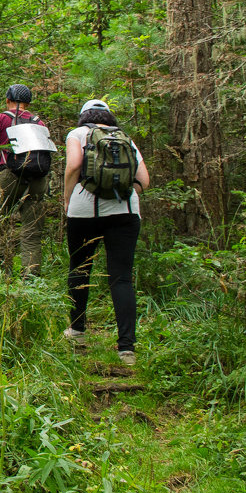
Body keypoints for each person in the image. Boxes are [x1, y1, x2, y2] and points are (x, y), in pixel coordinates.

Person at [62, 99, 151, 367]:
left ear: (83, 116)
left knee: (80, 269)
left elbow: (75, 165)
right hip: (125, 213)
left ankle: (77, 332)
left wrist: (67, 197)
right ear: (108, 117)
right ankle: (126, 348)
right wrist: (121, 196)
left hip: (83, 212)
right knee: (122, 279)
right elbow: (144, 180)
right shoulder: (126, 138)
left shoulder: (77, 134)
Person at [0, 83, 54, 277]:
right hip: (38, 178)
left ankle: (4, 271)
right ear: (27, 102)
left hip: (9, 174)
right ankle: (31, 277)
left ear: (8, 100)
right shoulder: (39, 122)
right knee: (32, 230)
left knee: (0, 221)